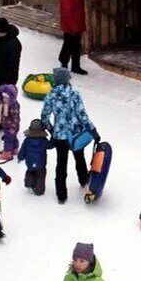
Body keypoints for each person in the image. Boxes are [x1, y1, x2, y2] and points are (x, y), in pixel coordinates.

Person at [40, 67, 99, 204]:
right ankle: (83, 180)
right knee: (79, 157)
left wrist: (52, 130)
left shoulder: (50, 95)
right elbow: (82, 115)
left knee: (61, 164)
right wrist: (92, 130)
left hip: (59, 137)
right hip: (76, 134)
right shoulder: (75, 94)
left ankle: (61, 195)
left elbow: (44, 116)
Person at [0, 17, 21, 126]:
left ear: (2, 31)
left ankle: (2, 123)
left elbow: (14, 65)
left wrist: (10, 83)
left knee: (2, 102)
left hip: (6, 79)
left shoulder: (14, 44)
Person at [58, 0, 87, 74]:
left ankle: (75, 66)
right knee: (68, 46)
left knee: (76, 47)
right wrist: (74, 27)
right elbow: (67, 14)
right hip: (70, 26)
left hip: (77, 24)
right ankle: (63, 65)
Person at [17, 119, 54, 196]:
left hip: (30, 163)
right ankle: (39, 190)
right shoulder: (43, 141)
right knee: (40, 176)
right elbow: (50, 145)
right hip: (40, 164)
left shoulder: (27, 140)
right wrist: (53, 137)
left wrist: (20, 157)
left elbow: (23, 150)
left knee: (30, 172)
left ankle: (29, 184)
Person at [0, 83, 20, 162]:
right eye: (3, 97)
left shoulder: (13, 106)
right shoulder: (3, 104)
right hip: (6, 125)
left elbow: (16, 118)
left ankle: (7, 154)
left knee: (8, 139)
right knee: (13, 138)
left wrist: (13, 128)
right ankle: (14, 150)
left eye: (7, 98)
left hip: (11, 126)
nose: (5, 99)